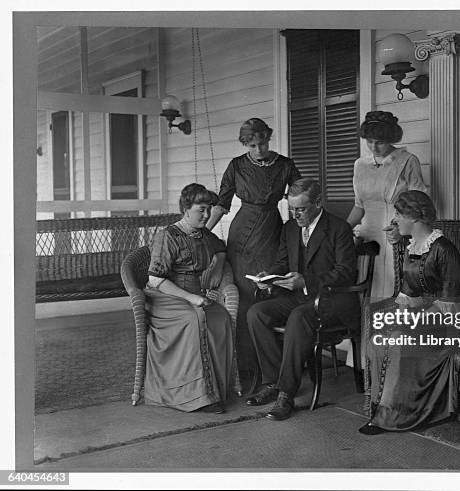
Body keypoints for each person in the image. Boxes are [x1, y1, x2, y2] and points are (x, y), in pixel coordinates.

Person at [245, 178, 360, 421]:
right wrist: (269, 276)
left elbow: (346, 272)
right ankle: (273, 382)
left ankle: (287, 394)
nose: (295, 215)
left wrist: (307, 281)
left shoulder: (338, 229)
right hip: (300, 298)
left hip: (333, 302)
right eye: (291, 209)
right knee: (257, 313)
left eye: (301, 209)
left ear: (318, 203)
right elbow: (283, 263)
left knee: (299, 317)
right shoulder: (289, 228)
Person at [360, 190, 460, 435]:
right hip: (423, 318)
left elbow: (450, 301)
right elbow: (407, 295)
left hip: (445, 324)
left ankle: (393, 416)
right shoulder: (412, 248)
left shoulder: (444, 249)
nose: (395, 219)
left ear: (414, 217)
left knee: (397, 338)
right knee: (381, 334)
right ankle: (380, 407)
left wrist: (416, 315)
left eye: (398, 214)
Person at [206, 118, 301, 383]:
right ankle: (246, 369)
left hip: (271, 232)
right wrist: (204, 233)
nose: (258, 150)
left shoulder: (285, 165)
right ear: (245, 144)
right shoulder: (236, 165)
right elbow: (221, 203)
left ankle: (274, 367)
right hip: (241, 234)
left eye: (262, 143)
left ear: (269, 138)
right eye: (252, 145)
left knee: (268, 290)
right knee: (243, 296)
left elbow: (299, 199)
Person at [145, 183, 235, 413]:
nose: (206, 215)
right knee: (194, 318)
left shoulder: (203, 235)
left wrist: (216, 272)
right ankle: (196, 397)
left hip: (194, 295)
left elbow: (221, 249)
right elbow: (156, 280)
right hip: (165, 298)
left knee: (220, 317)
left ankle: (216, 388)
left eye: (208, 210)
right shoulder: (168, 236)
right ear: (186, 209)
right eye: (201, 210)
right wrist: (192, 299)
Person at [346, 110, 428, 299]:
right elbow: (359, 206)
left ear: (390, 138)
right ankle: (366, 328)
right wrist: (342, 230)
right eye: (369, 141)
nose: (374, 147)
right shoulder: (360, 164)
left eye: (380, 142)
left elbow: (418, 205)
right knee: (364, 287)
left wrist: (401, 231)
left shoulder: (407, 161)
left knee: (391, 288)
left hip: (396, 235)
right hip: (366, 237)